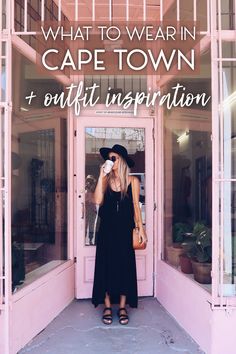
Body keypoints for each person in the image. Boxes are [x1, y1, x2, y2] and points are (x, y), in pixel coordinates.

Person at [92, 144, 147, 325]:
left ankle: (122, 307)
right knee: (106, 267)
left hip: (124, 232)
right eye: (109, 158)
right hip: (107, 231)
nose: (110, 161)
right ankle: (107, 306)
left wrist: (141, 229)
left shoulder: (132, 181)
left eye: (113, 158)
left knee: (125, 267)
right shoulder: (105, 181)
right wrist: (101, 177)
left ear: (121, 160)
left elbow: (136, 209)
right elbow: (98, 201)